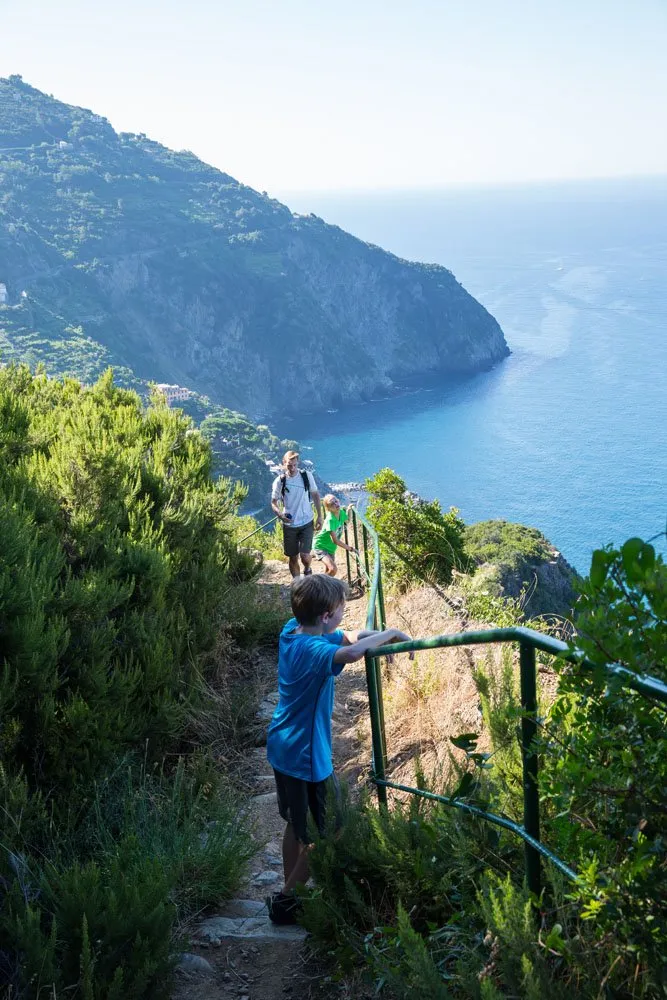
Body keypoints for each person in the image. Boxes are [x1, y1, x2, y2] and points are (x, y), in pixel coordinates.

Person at [265, 574, 413, 924]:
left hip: (283, 745)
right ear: (327, 615)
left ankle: (293, 890)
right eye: (342, 608)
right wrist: (390, 634)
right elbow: (350, 651)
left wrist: (376, 632)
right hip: (306, 756)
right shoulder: (315, 651)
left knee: (295, 824)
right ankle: (286, 903)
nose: (346, 614)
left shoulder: (293, 632)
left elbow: (348, 637)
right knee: (330, 828)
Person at [271, 450, 323, 578]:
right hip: (290, 525)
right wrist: (280, 515)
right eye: (289, 465)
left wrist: (320, 516)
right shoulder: (280, 481)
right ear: (284, 464)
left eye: (295, 465)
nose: (292, 468)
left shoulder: (306, 476)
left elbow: (315, 495)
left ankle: (307, 568)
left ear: (297, 463)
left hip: (306, 522)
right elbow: (273, 502)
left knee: (305, 556)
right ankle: (297, 583)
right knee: (293, 558)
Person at [312, 494, 356, 576]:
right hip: (320, 545)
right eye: (332, 504)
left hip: (330, 548)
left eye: (336, 501)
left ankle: (323, 587)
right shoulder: (330, 520)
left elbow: (348, 520)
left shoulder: (341, 512)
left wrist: (349, 510)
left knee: (329, 570)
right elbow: (335, 540)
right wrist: (350, 548)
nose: (336, 504)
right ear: (328, 508)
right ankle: (318, 584)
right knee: (333, 569)